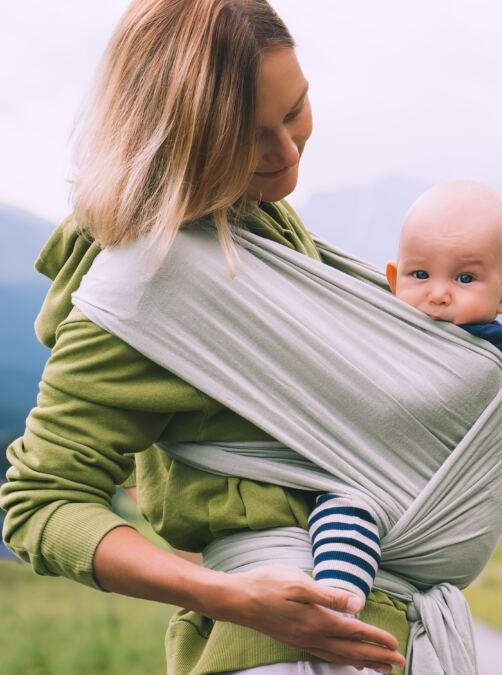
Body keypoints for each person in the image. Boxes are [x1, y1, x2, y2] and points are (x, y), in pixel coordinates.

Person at [0, 1, 407, 673]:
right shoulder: (149, 281)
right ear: (178, 139)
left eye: (295, 110)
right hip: (276, 648)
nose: (286, 152)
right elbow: (39, 501)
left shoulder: (257, 221)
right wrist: (230, 597)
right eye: (249, 137)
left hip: (368, 627)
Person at [308, 180, 502, 604]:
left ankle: (339, 600)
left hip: (410, 500)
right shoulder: (393, 328)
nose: (438, 294)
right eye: (420, 275)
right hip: (377, 474)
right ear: (393, 280)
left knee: (348, 508)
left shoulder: (480, 354)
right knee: (338, 508)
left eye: (465, 278)